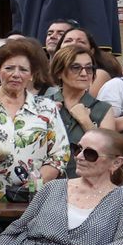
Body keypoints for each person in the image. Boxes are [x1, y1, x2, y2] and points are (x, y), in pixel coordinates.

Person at [0, 38, 69, 204]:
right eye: (9, 68)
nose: (16, 74)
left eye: (23, 69)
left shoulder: (46, 108)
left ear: (32, 75)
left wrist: (36, 182)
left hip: (32, 203)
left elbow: (60, 155)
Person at [46, 44, 117, 176]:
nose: (84, 73)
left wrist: (86, 121)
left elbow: (109, 154)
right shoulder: (43, 105)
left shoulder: (102, 109)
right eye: (76, 68)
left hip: (85, 184)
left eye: (89, 68)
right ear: (59, 72)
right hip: (46, 185)